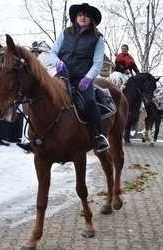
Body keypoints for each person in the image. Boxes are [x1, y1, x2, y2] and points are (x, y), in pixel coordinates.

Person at [48, 3, 109, 153]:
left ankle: (99, 136)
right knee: (43, 97)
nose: (83, 17)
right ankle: (37, 138)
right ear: (76, 17)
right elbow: (53, 52)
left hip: (82, 78)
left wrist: (88, 78)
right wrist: (57, 62)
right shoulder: (65, 33)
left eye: (87, 15)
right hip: (62, 76)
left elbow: (97, 63)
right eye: (80, 14)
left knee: (90, 101)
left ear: (91, 19)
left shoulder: (97, 38)